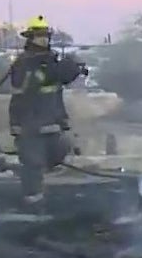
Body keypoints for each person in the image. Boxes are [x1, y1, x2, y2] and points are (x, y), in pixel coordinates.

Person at [9, 16, 88, 205]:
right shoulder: (23, 63)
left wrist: (72, 69)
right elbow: (31, 84)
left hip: (51, 123)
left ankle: (41, 195)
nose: (44, 39)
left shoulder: (52, 62)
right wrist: (55, 71)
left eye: (46, 35)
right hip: (29, 124)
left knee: (60, 153)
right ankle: (32, 203)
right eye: (39, 36)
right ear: (30, 38)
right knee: (33, 164)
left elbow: (56, 90)